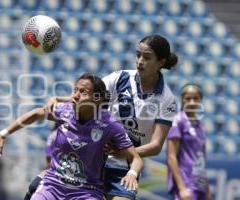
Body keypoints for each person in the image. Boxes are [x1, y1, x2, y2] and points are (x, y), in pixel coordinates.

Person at [43, 34, 178, 200]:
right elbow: (88, 98)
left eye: (147, 57)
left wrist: (124, 153)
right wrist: (58, 99)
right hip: (90, 160)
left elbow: (156, 146)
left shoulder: (167, 100)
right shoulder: (120, 78)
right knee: (37, 185)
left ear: (161, 62)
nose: (140, 61)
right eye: (138, 55)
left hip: (124, 169)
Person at [0, 73, 144, 200]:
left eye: (83, 92)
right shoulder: (65, 110)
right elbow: (37, 113)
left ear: (98, 99)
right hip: (54, 184)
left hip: (86, 191)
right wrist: (3, 134)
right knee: (34, 189)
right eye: (75, 90)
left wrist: (132, 174)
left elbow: (136, 159)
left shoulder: (109, 124)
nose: (75, 95)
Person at [167, 84, 212, 200]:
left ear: (200, 100)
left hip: (200, 184)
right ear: (182, 99)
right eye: (188, 98)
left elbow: (201, 159)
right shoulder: (178, 121)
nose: (192, 102)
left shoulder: (200, 126)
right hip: (186, 182)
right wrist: (182, 188)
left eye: (195, 98)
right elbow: (171, 157)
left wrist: (207, 189)